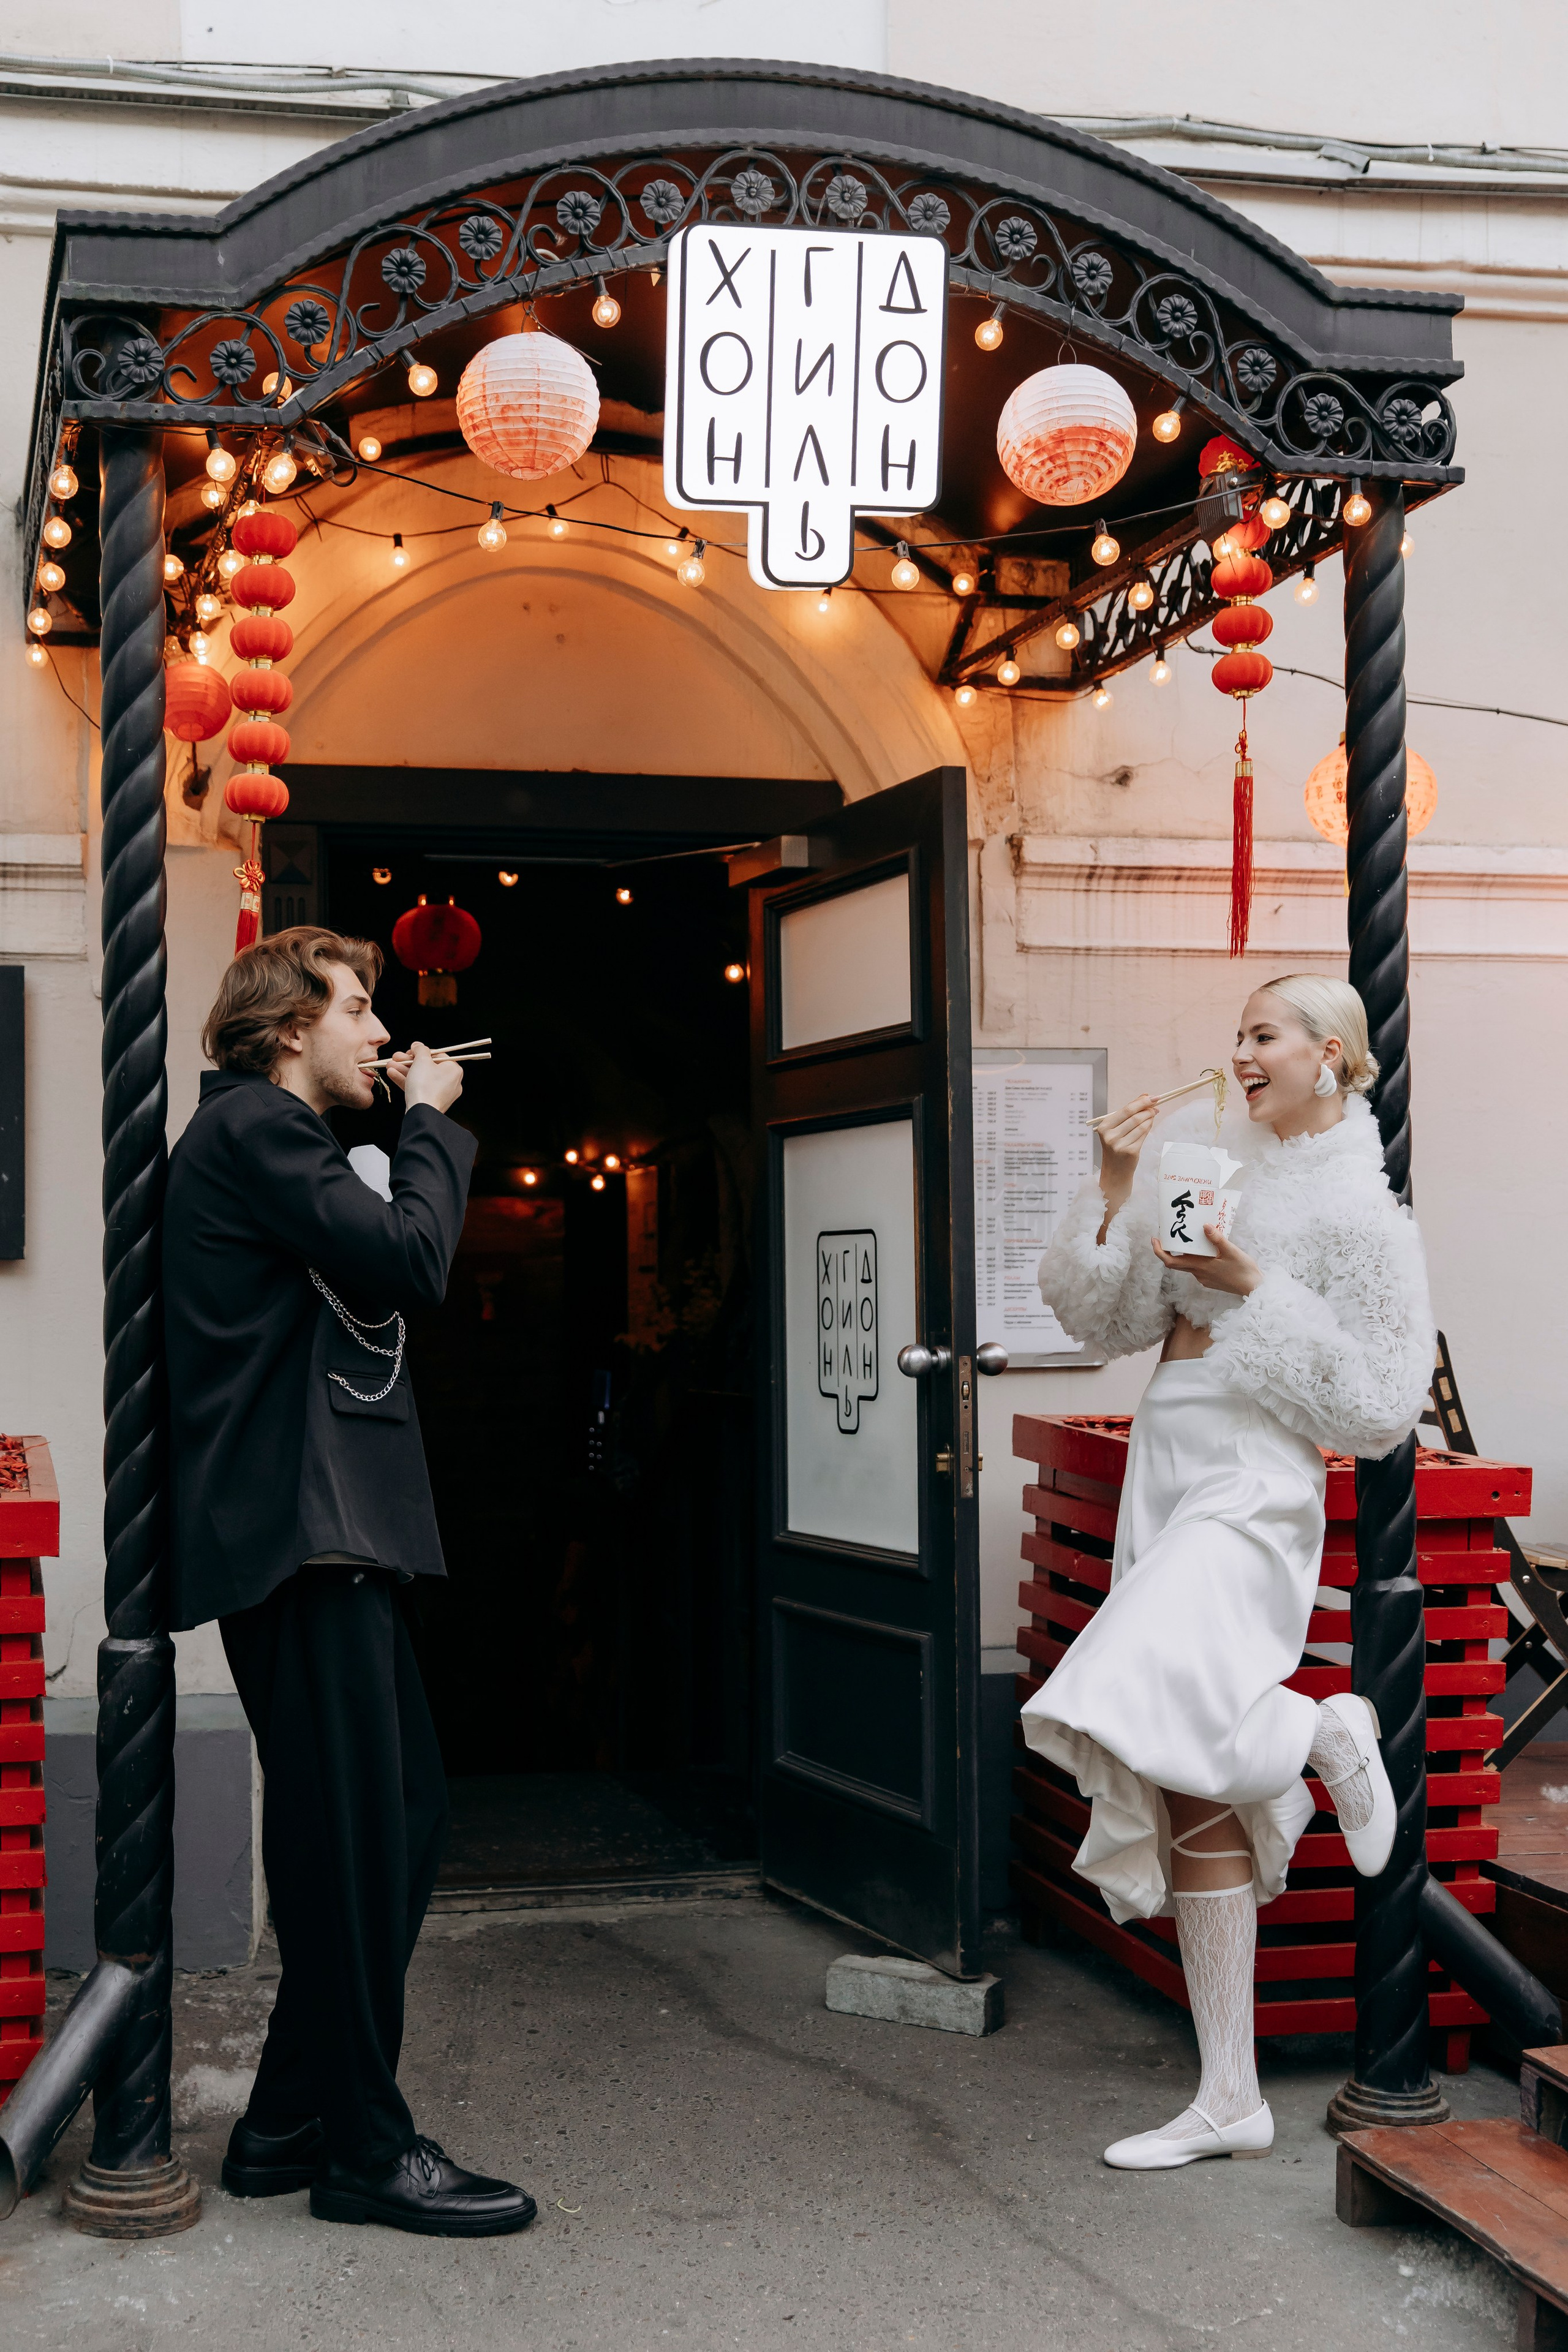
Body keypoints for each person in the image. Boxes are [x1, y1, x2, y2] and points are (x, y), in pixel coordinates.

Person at [1023, 974, 1434, 2172]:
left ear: (1329, 1054)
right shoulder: (1202, 1164)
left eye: (1263, 1035)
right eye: (1236, 1036)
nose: (1240, 1053)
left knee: (1122, 1689)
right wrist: (1113, 1189)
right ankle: (1227, 2097)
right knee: (1187, 1777)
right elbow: (1104, 1322)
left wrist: (1254, 1284)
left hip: (1254, 1474)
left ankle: (1317, 1729)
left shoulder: (1364, 1218)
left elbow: (1378, 1406)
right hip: (1168, 1456)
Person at [164, 925, 535, 2236]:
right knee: (355, 1840)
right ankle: (368, 2149)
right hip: (299, 1534)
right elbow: (411, 1260)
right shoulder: (260, 1128)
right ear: (288, 1028)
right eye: (360, 1009)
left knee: (396, 1819)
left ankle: (285, 2120)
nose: (385, 1034)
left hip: (324, 1534)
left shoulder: (272, 1138)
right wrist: (429, 1123)